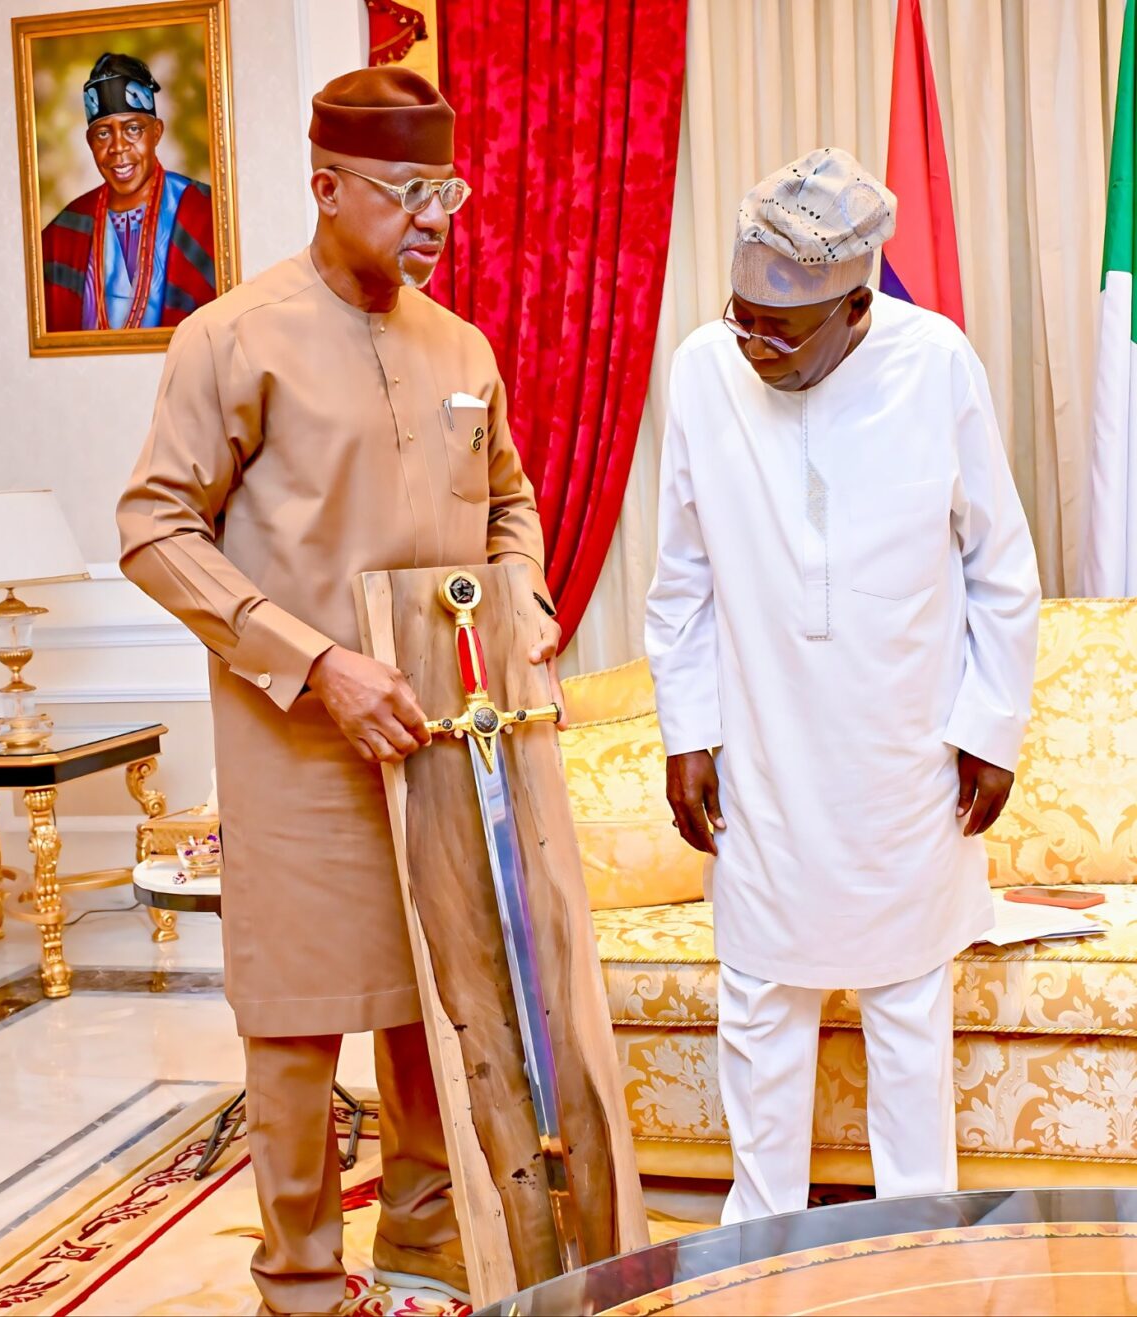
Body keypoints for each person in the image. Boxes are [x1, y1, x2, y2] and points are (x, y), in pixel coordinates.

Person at [117, 67, 560, 1314]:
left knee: (436, 1002)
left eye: (445, 193)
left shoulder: (460, 347)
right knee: (299, 1019)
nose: (432, 219)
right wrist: (312, 661)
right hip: (298, 742)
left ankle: (420, 1256)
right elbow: (154, 528)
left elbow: (509, 501)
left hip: (442, 732)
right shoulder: (231, 338)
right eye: (404, 192)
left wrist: (523, 595)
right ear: (324, 186)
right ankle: (301, 1283)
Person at [645, 148, 1040, 1224]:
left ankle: (917, 1241)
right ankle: (759, 1242)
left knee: (906, 1005)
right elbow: (680, 580)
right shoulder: (702, 371)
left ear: (857, 305)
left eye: (781, 329)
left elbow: (999, 568)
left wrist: (989, 728)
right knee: (760, 1002)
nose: (753, 346)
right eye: (741, 319)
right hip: (763, 752)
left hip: (903, 752)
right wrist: (686, 731)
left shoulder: (935, 362)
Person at [41, 52, 216, 332]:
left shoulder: (205, 214)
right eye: (103, 133)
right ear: (90, 142)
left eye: (133, 129)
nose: (118, 147)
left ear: (156, 132)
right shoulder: (63, 234)